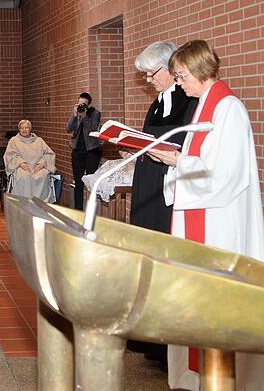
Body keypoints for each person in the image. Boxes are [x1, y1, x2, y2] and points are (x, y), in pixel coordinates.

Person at [147, 40, 264, 391]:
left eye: (181, 75)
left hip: (219, 222)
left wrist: (176, 161)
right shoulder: (203, 106)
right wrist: (175, 159)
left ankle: (226, 379)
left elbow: (226, 175)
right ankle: (196, 378)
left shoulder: (228, 108)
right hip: (202, 215)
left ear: (200, 70)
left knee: (217, 304)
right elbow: (201, 159)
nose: (178, 82)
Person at [127, 41, 199, 365]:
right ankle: (149, 341)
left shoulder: (188, 101)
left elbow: (188, 142)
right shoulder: (157, 102)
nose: (148, 80)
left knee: (165, 257)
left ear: (170, 70)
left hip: (169, 187)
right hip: (149, 184)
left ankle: (169, 345)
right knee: (148, 255)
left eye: (150, 73)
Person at [3, 119, 56, 202]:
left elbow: (49, 154)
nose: (24, 130)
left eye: (26, 128)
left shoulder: (39, 141)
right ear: (19, 129)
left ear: (30, 129)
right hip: (22, 167)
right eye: (22, 128)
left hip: (38, 167)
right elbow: (10, 155)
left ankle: (41, 202)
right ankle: (24, 201)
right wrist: (20, 162)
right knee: (25, 177)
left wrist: (41, 164)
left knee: (43, 175)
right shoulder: (14, 141)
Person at [65, 92, 101, 209]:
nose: (82, 106)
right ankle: (78, 211)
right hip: (77, 151)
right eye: (80, 104)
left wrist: (84, 116)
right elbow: (68, 128)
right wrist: (75, 115)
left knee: (90, 182)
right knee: (78, 182)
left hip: (91, 151)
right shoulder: (77, 114)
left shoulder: (95, 113)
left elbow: (92, 129)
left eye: (84, 104)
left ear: (88, 105)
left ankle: (91, 211)